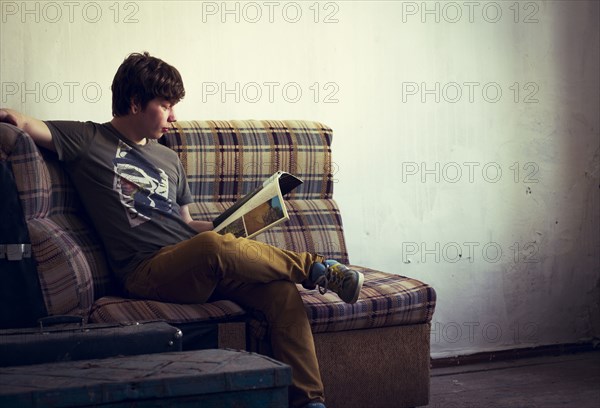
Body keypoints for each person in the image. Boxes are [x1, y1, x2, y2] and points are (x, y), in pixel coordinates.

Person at [0, 52, 363, 408]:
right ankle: (317, 268)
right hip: (146, 271)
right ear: (135, 102)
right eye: (166, 104)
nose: (174, 116)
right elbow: (23, 123)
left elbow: (188, 224)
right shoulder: (88, 139)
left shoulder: (169, 158)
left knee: (281, 291)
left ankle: (309, 402)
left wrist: (242, 221)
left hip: (199, 263)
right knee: (210, 246)